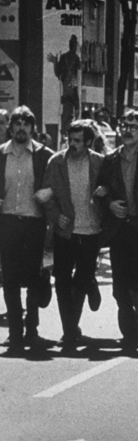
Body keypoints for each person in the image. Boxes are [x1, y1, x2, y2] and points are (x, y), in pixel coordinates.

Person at [96, 110, 138, 352]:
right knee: (120, 286)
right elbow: (101, 190)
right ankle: (130, 327)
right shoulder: (110, 159)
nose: (128, 130)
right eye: (124, 125)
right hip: (119, 229)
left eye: (133, 126)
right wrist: (109, 204)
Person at [43, 120, 105, 350]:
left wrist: (105, 191)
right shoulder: (56, 162)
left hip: (91, 230)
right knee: (61, 280)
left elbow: (110, 188)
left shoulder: (99, 162)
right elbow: (46, 193)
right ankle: (69, 330)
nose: (73, 144)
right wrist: (55, 215)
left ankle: (87, 287)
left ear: (89, 142)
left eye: (78, 141)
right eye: (70, 140)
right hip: (65, 231)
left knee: (79, 281)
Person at [0, 107, 53, 356]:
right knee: (9, 279)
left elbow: (55, 185)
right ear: (10, 128)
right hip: (7, 222)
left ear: (33, 128)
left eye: (26, 124)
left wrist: (48, 196)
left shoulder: (45, 156)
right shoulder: (1, 154)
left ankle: (32, 328)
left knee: (33, 277)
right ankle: (15, 331)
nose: (21, 128)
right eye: (17, 124)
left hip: (34, 222)